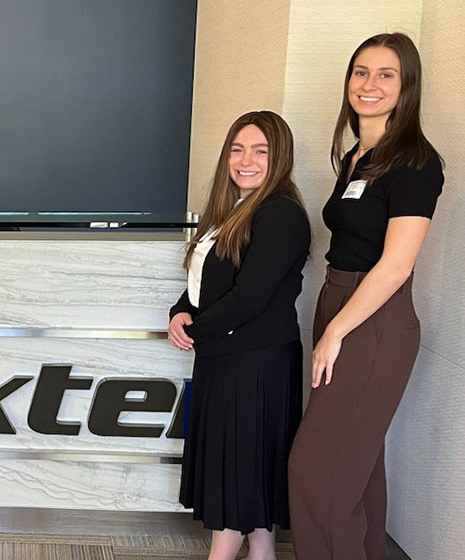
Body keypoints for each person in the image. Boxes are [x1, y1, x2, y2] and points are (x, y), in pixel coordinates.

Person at [288, 33, 443, 560]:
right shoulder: (357, 156)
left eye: (385, 74)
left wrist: (335, 330)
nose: (369, 84)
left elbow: (397, 265)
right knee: (355, 464)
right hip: (340, 302)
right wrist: (329, 318)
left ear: (407, 87)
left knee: (317, 470)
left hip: (374, 320)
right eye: (360, 71)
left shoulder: (416, 162)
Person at [169, 111, 310, 560]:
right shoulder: (232, 210)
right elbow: (207, 283)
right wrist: (180, 312)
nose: (246, 160)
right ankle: (262, 552)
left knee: (239, 471)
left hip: (254, 364)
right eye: (237, 148)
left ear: (280, 158)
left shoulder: (280, 214)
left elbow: (249, 298)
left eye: (260, 151)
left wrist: (198, 328)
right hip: (227, 357)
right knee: (247, 473)